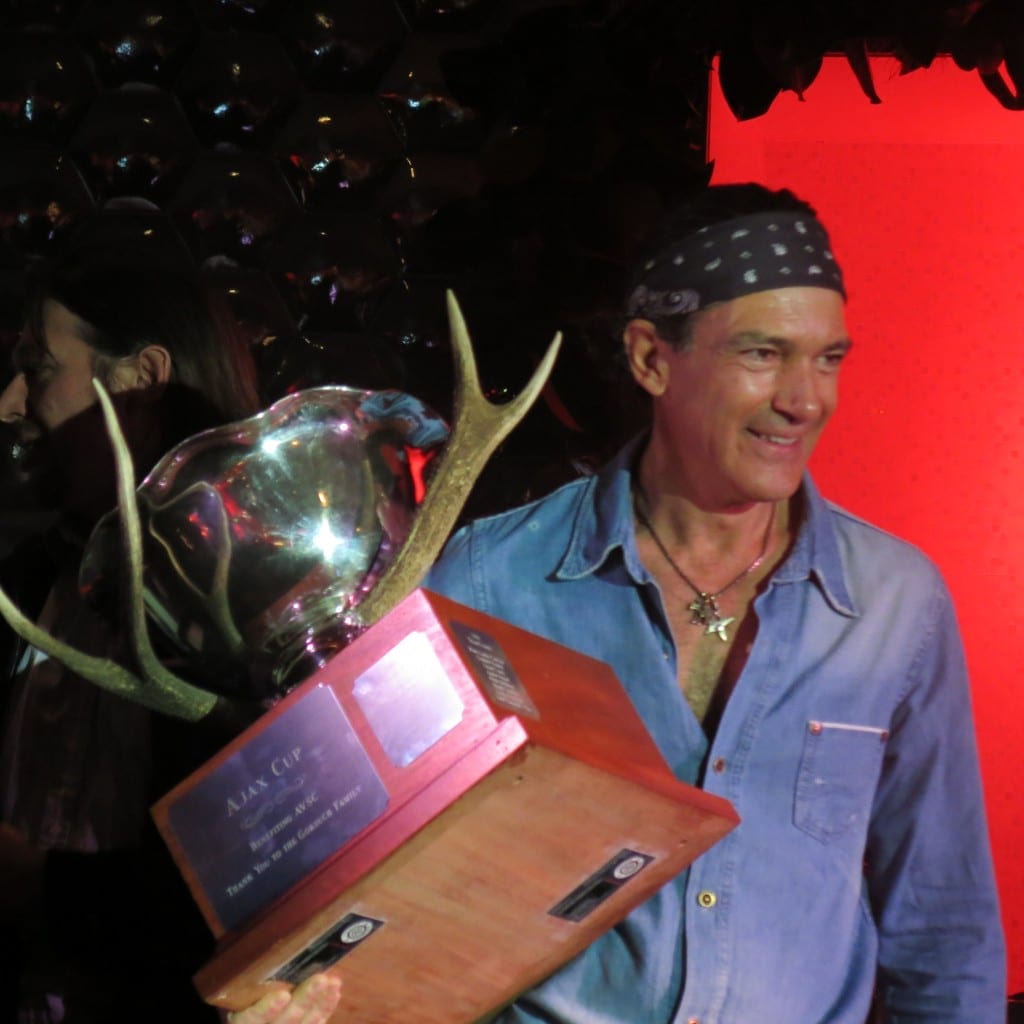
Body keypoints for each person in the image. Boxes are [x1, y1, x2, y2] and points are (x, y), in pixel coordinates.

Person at [234, 182, 1008, 1023]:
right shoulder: (490, 580)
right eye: (763, 354)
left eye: (828, 359)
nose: (805, 399)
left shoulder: (895, 602)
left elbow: (943, 926)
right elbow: (372, 872)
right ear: (650, 359)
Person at [0, 214, 263, 1024]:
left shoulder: (253, 607)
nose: (10, 405)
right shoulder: (36, 575)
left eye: (39, 370)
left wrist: (34, 883)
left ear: (142, 379)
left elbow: (248, 875)